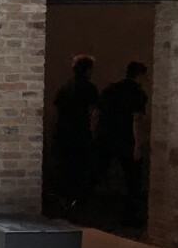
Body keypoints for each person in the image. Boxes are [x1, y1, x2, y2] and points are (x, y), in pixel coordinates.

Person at [94, 61, 148, 225]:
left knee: (97, 172)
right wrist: (138, 144)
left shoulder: (110, 89)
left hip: (106, 137)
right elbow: (136, 119)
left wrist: (95, 133)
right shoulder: (137, 93)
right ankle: (130, 216)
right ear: (139, 75)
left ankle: (79, 206)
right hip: (126, 139)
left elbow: (96, 113)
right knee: (133, 179)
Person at [52, 54, 99, 206]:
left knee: (66, 167)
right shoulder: (90, 88)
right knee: (80, 169)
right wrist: (93, 131)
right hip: (81, 133)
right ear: (87, 70)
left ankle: (66, 200)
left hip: (63, 133)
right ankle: (78, 201)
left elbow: (56, 111)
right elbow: (94, 112)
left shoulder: (65, 87)